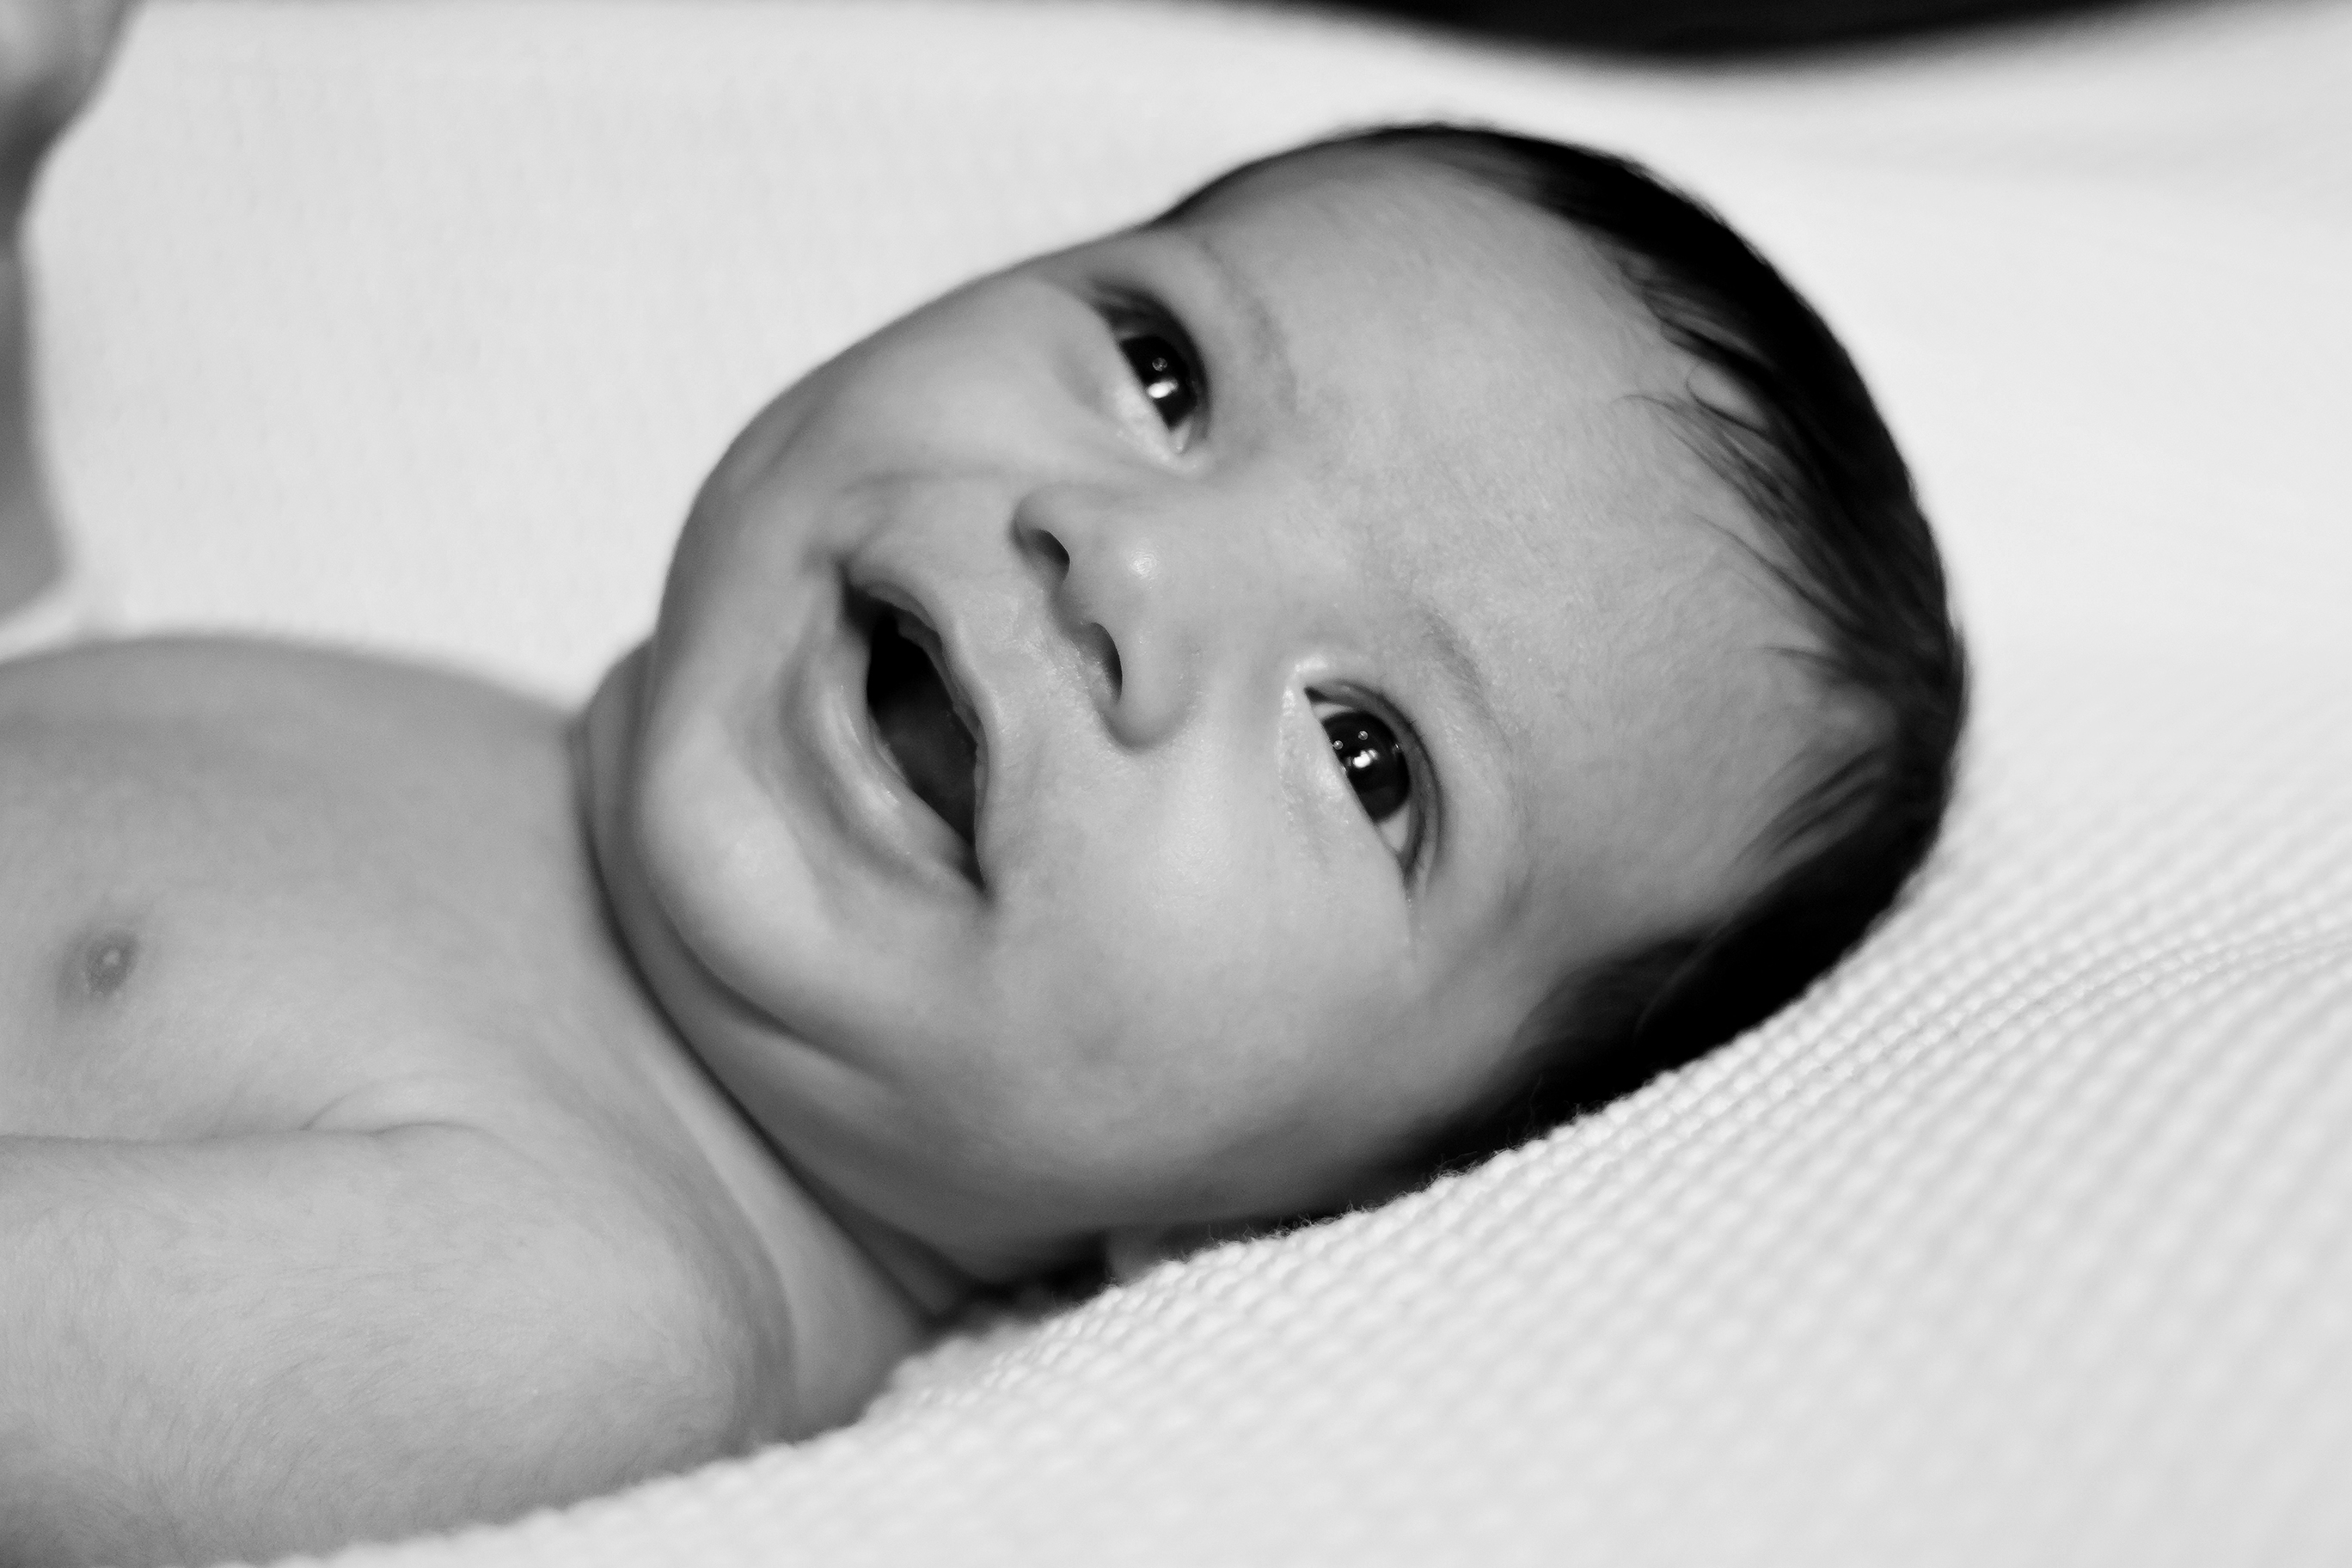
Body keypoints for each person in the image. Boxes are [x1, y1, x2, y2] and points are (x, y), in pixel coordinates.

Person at [0, 4, 1963, 1564]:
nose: (1126, 569)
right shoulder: (477, 772)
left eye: (1365, 750)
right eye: (1168, 373)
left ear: (1310, 1208)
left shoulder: (576, 1307)